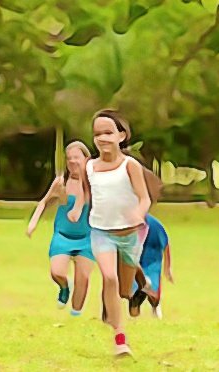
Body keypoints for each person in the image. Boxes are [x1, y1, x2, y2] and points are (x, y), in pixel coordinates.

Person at [82, 109, 151, 357]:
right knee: (108, 278)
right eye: (98, 134)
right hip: (101, 232)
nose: (102, 138)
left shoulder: (130, 166)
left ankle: (132, 291)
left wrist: (139, 213)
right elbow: (90, 196)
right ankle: (120, 339)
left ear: (121, 136)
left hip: (129, 235)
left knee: (124, 290)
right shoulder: (89, 167)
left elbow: (144, 198)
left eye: (108, 133)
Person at [27, 141, 94, 316]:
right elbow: (44, 202)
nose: (72, 161)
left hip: (87, 237)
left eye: (76, 157)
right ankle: (64, 286)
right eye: (69, 158)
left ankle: (75, 314)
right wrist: (33, 223)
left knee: (84, 278)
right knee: (56, 272)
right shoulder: (61, 182)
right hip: (63, 236)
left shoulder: (94, 183)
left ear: (86, 159)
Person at [129, 214, 173, 319]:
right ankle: (141, 298)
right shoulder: (129, 222)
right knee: (135, 300)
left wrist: (168, 267)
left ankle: (154, 303)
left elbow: (166, 243)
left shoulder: (155, 225)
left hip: (152, 260)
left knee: (152, 289)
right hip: (138, 262)